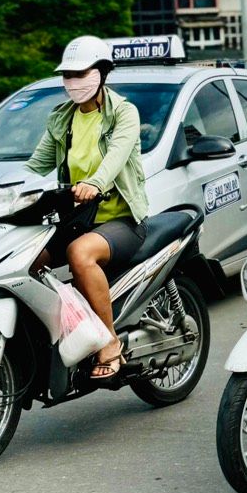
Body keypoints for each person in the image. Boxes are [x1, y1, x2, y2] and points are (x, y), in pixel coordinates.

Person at [24, 36, 150, 381]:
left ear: (102, 72)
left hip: (120, 218)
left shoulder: (123, 112)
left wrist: (95, 183)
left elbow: (116, 158)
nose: (74, 81)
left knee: (80, 254)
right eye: (68, 74)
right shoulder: (61, 118)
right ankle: (60, 332)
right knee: (26, 260)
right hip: (77, 217)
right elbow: (35, 167)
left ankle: (109, 343)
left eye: (82, 73)